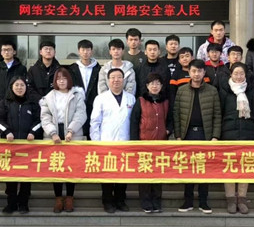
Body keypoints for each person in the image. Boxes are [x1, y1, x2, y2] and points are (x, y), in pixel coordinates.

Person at [174, 59, 221, 214]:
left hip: (205, 134)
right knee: (187, 168)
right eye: (193, 71)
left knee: (204, 168)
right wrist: (178, 136)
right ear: (189, 72)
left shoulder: (212, 91)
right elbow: (176, 114)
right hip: (187, 135)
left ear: (204, 73)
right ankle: (187, 201)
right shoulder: (181, 90)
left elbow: (217, 115)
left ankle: (203, 201)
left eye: (199, 71)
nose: (196, 74)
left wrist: (215, 136)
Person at [40, 68, 87, 213]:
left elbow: (81, 114)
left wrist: (71, 130)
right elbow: (45, 117)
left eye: (64, 78)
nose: (61, 81)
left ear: (69, 80)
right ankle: (58, 198)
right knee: (57, 167)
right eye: (58, 78)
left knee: (71, 167)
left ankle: (70, 198)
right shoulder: (49, 97)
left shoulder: (77, 95)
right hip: (54, 134)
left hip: (73, 134)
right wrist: (53, 133)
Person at [0, 76, 42, 214]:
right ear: (11, 87)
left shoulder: (33, 104)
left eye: (22, 85)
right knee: (11, 175)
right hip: (10, 147)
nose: (19, 88)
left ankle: (23, 203)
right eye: (16, 85)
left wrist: (33, 132)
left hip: (28, 147)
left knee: (26, 176)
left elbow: (40, 120)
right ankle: (11, 203)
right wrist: (6, 131)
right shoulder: (4, 103)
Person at [90, 68, 136, 213]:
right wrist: (97, 142)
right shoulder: (101, 98)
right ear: (108, 80)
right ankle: (107, 201)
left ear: (123, 80)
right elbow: (94, 122)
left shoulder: (131, 98)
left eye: (119, 77)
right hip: (106, 143)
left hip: (125, 142)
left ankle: (120, 200)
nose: (116, 80)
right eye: (113, 77)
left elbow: (134, 121)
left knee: (123, 174)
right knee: (107, 174)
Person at [218, 63, 254, 214]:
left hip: (247, 133)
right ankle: (230, 199)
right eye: (236, 73)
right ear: (231, 75)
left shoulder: (250, 91)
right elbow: (219, 112)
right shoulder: (225, 91)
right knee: (229, 167)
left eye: (241, 73)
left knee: (245, 167)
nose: (239, 76)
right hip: (228, 133)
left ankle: (241, 199)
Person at [130, 72, 172, 213]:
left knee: (158, 173)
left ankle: (156, 201)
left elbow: (170, 119)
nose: (155, 86)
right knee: (145, 173)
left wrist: (168, 130)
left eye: (157, 83)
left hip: (160, 144)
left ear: (161, 86)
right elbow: (134, 121)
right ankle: (146, 202)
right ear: (147, 86)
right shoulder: (141, 101)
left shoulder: (165, 102)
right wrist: (135, 142)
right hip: (144, 143)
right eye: (152, 83)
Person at [68, 39, 100, 139]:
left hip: (94, 105)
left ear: (92, 51)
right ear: (79, 51)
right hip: (77, 106)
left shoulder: (98, 69)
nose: (85, 52)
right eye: (83, 50)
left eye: (88, 50)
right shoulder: (72, 69)